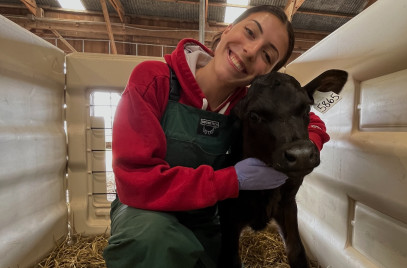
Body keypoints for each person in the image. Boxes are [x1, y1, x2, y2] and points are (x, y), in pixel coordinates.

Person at [102, 5, 330, 268]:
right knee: (152, 241)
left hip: (204, 217)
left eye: (267, 55)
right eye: (249, 32)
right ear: (227, 30)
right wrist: (232, 179)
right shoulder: (154, 80)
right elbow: (135, 183)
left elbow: (310, 120)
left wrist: (307, 147)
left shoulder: (250, 106)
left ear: (267, 74)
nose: (250, 50)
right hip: (145, 212)